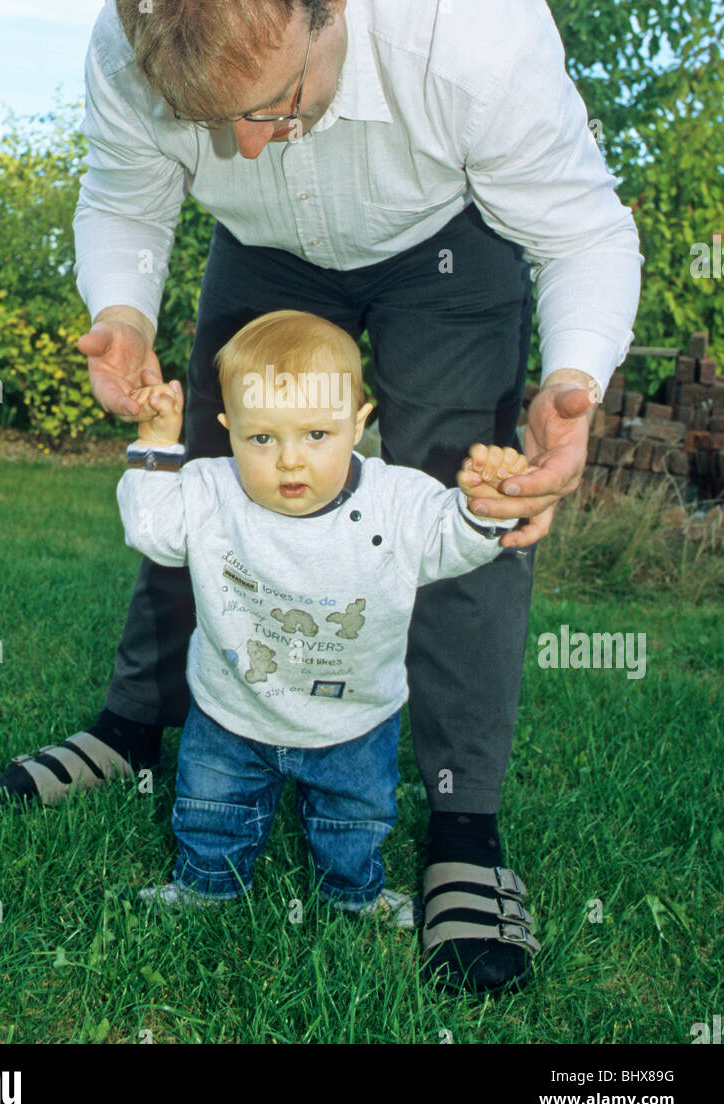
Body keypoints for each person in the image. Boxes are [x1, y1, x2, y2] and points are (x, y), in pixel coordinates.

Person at [0, 0, 642, 995]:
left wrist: (572, 379)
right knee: (209, 474)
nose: (244, 145)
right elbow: (124, 195)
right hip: (267, 251)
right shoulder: (133, 36)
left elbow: (583, 230)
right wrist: (124, 309)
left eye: (274, 104)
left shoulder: (467, 24)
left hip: (446, 244)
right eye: (211, 122)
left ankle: (460, 832)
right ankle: (136, 727)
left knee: (467, 500)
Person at [115, 310, 533, 947]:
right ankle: (206, 882)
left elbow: (454, 544)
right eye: (261, 439)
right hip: (232, 709)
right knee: (211, 809)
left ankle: (353, 892)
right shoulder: (208, 492)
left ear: (358, 425)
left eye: (316, 433)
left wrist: (484, 505)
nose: (289, 460)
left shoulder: (399, 501)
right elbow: (152, 533)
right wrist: (156, 443)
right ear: (228, 431)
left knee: (356, 818)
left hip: (354, 718)